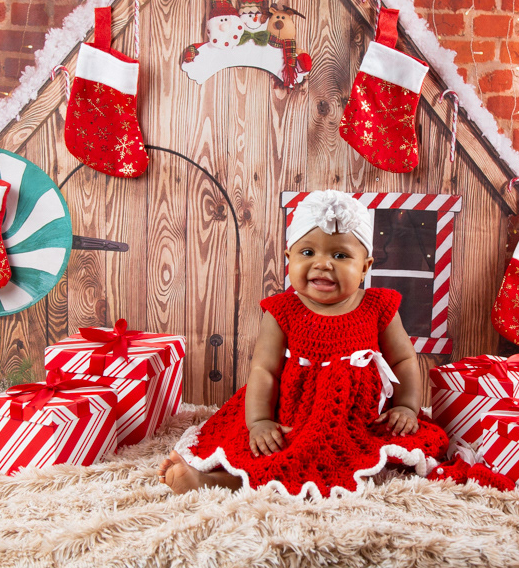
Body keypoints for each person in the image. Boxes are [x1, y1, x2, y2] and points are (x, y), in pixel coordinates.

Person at [159, 190, 448, 498]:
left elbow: (403, 360)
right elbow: (264, 370)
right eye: (308, 253)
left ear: (365, 267)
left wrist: (406, 405)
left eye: (340, 256)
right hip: (293, 412)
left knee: (363, 452)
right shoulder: (283, 309)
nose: (323, 264)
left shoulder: (378, 305)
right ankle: (222, 482)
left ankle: (240, 482)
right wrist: (259, 421)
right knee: (273, 449)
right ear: (289, 260)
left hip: (359, 416)